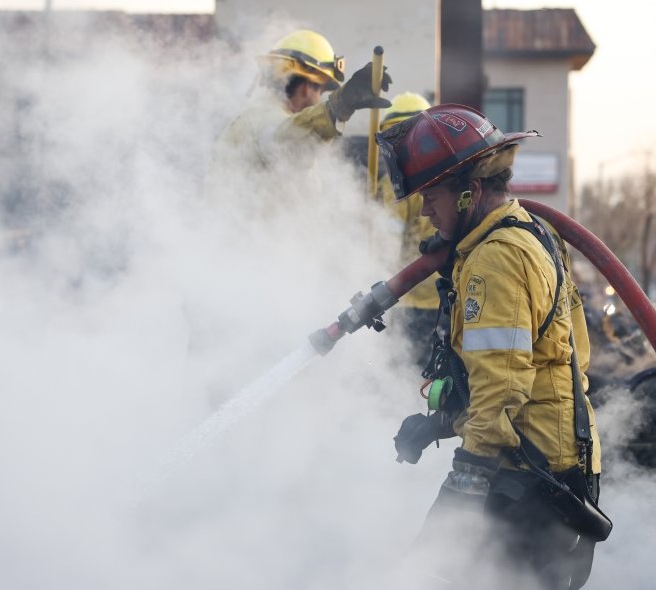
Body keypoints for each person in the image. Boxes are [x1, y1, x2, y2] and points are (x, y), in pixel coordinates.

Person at [376, 104, 607, 589]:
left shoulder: (495, 260)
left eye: (432, 195)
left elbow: (502, 391)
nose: (425, 210)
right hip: (553, 471)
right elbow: (560, 360)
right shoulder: (530, 232)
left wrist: (463, 489)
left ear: (469, 192)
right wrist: (442, 421)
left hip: (527, 481)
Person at [212, 29, 391, 175]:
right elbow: (285, 140)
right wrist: (340, 105)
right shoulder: (262, 119)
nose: (320, 99)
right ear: (306, 86)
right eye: (321, 90)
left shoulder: (258, 116)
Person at [379, 92, 440, 367]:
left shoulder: (396, 182)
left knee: (408, 378)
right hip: (443, 297)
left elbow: (386, 245)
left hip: (408, 299)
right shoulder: (444, 174)